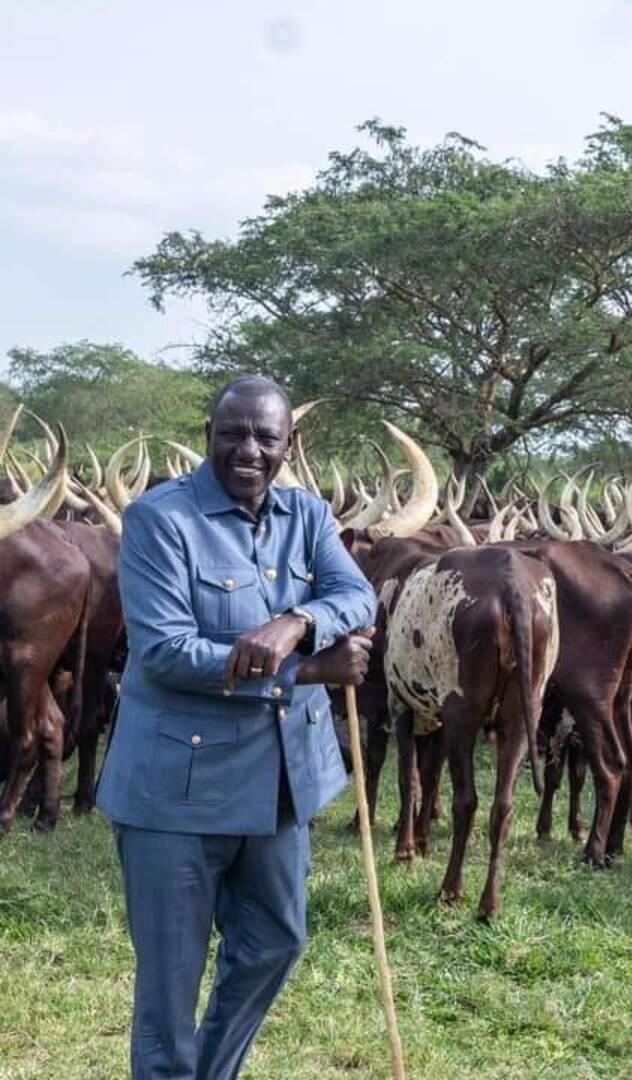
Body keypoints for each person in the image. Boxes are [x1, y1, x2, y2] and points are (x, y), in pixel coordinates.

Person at [96, 375, 378, 1080]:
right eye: (232, 434)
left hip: (279, 785)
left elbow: (355, 591)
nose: (247, 450)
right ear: (209, 436)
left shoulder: (307, 516)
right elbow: (164, 654)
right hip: (174, 793)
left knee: (276, 942)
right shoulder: (161, 520)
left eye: (264, 437)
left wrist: (300, 622)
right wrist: (309, 671)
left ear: (289, 445)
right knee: (170, 979)